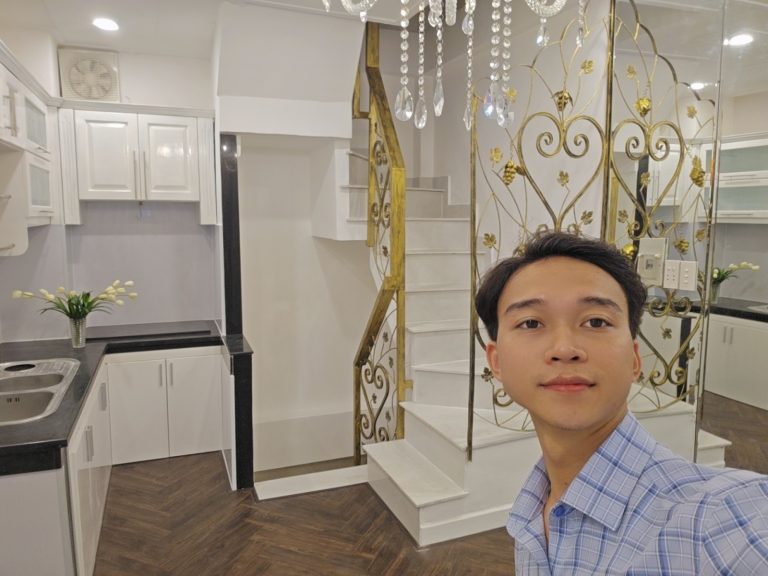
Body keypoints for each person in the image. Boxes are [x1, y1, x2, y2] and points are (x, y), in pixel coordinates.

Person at [475, 231, 768, 575]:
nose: (564, 349)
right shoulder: (530, 512)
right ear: (496, 362)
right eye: (531, 323)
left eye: (596, 321)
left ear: (634, 359)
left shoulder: (719, 517)